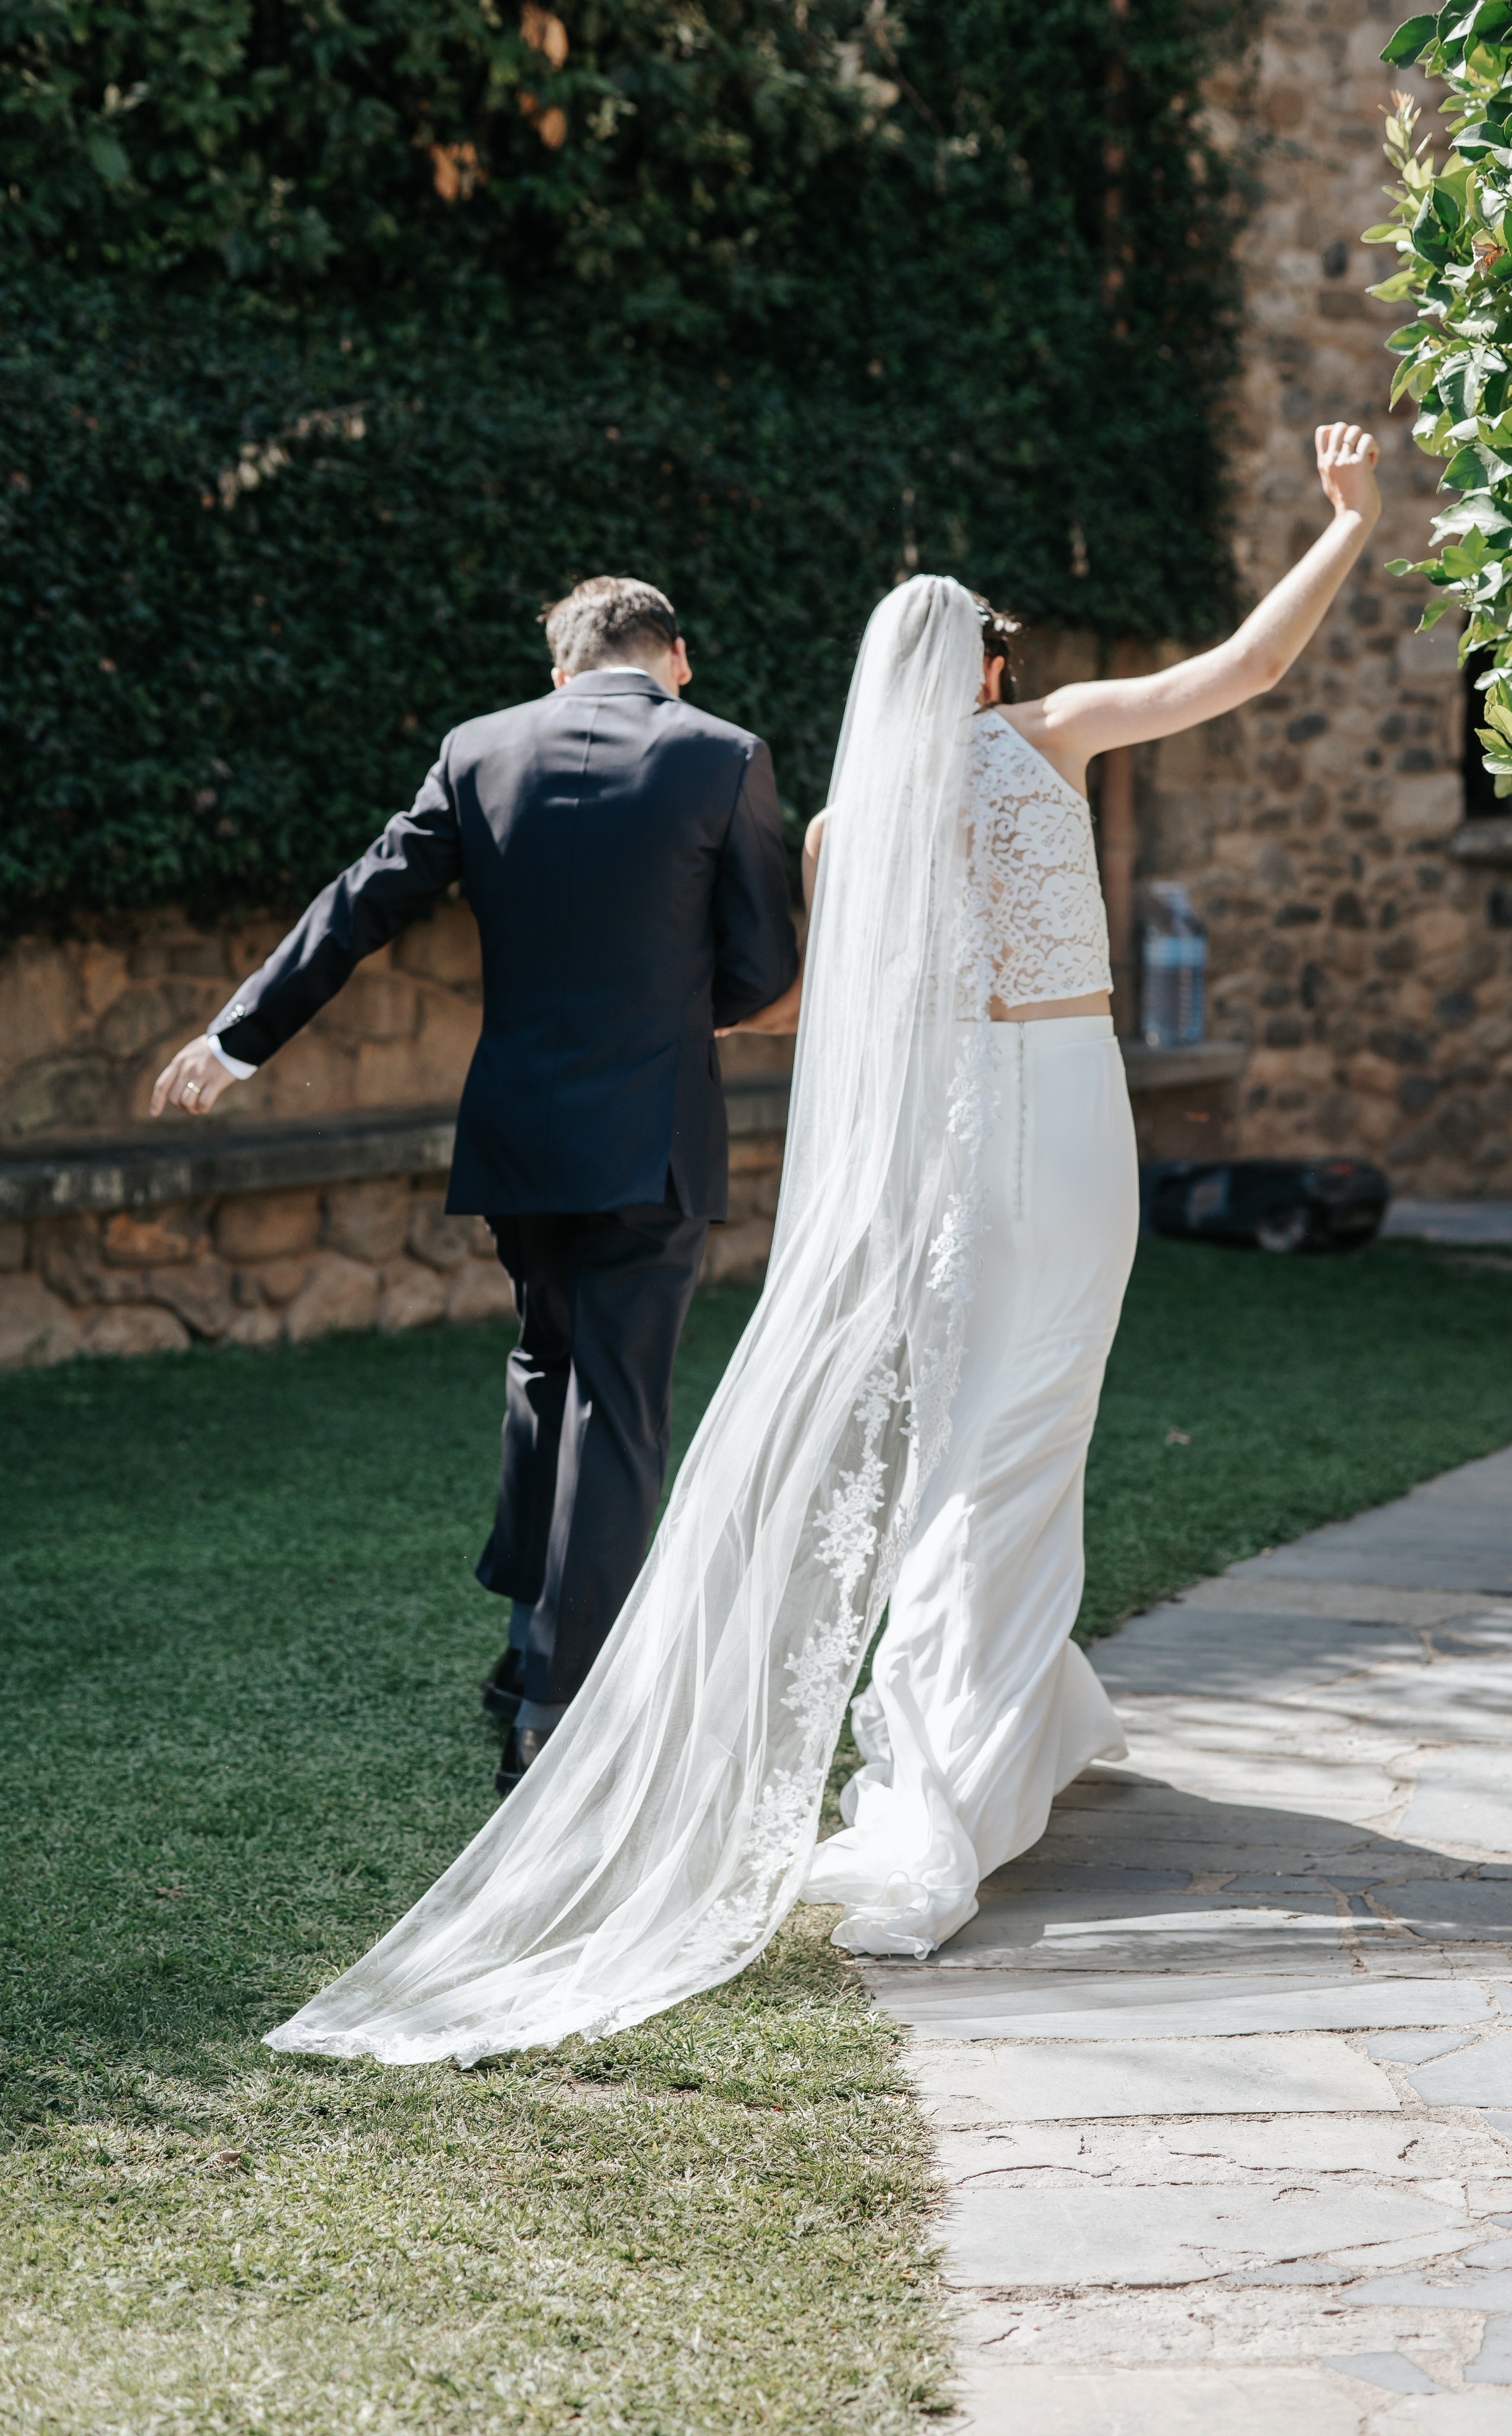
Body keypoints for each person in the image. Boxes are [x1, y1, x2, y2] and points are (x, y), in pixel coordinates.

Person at [264, 421, 1381, 2066]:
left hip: (945, 1151)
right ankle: (952, 1785)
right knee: (1031, 1428)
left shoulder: (846, 831)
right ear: (991, 668)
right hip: (1065, 1119)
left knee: (961, 1448)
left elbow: (792, 1012)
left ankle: (1022, 1715)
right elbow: (1250, 661)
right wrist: (1348, 523)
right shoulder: (1057, 737)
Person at [150, 578, 800, 1793]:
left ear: (560, 671)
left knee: (544, 1367)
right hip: (647, 1136)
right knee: (616, 1404)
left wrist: (238, 1041)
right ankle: (557, 1708)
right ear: (679, 659)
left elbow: (362, 902)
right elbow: (763, 971)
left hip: (517, 1136)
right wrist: (659, 1022)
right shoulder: (726, 756)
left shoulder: (479, 748)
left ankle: (519, 1658)